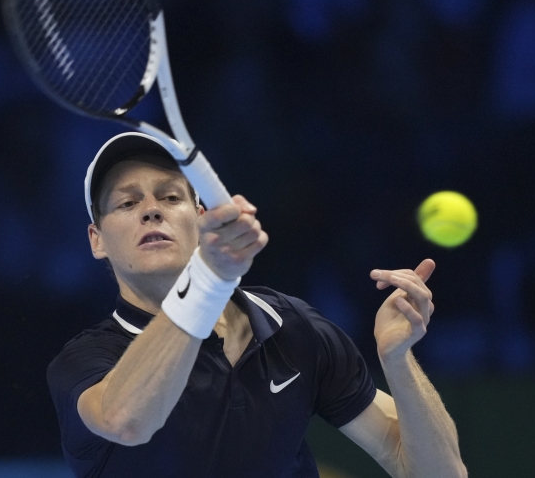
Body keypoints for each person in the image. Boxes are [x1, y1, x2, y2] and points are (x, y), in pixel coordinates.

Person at [47, 132, 467, 478]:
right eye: (128, 202)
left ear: (200, 216)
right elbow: (125, 420)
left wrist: (398, 361)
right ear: (96, 239)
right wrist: (209, 279)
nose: (152, 211)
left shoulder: (293, 326)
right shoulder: (87, 362)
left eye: (170, 197)